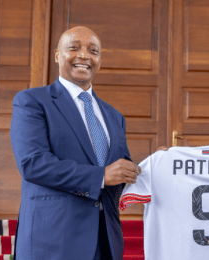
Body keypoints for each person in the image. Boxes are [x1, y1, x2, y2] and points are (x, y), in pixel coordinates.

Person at [10, 26, 141, 260]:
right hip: (53, 241)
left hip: (106, 241)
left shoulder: (114, 116)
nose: (84, 55)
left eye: (93, 50)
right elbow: (33, 164)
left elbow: (119, 173)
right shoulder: (32, 101)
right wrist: (100, 176)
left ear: (99, 60)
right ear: (57, 55)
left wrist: (159, 164)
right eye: (74, 48)